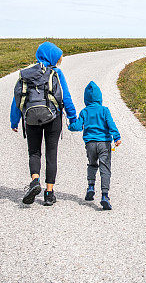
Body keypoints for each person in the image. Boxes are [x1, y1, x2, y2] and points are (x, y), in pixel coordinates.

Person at [10, 42, 76, 206]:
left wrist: (14, 120)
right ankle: (49, 193)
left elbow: (18, 99)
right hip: (53, 118)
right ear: (53, 57)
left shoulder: (26, 74)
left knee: (34, 151)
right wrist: (73, 117)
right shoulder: (56, 73)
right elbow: (65, 97)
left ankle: (34, 181)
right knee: (51, 153)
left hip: (31, 118)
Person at [68, 81, 121, 210]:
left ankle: (91, 187)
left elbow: (77, 126)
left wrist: (70, 126)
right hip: (104, 143)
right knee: (105, 168)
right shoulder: (104, 110)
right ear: (99, 97)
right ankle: (104, 195)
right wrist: (117, 136)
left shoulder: (84, 111)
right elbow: (110, 124)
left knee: (92, 165)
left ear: (86, 98)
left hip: (90, 144)